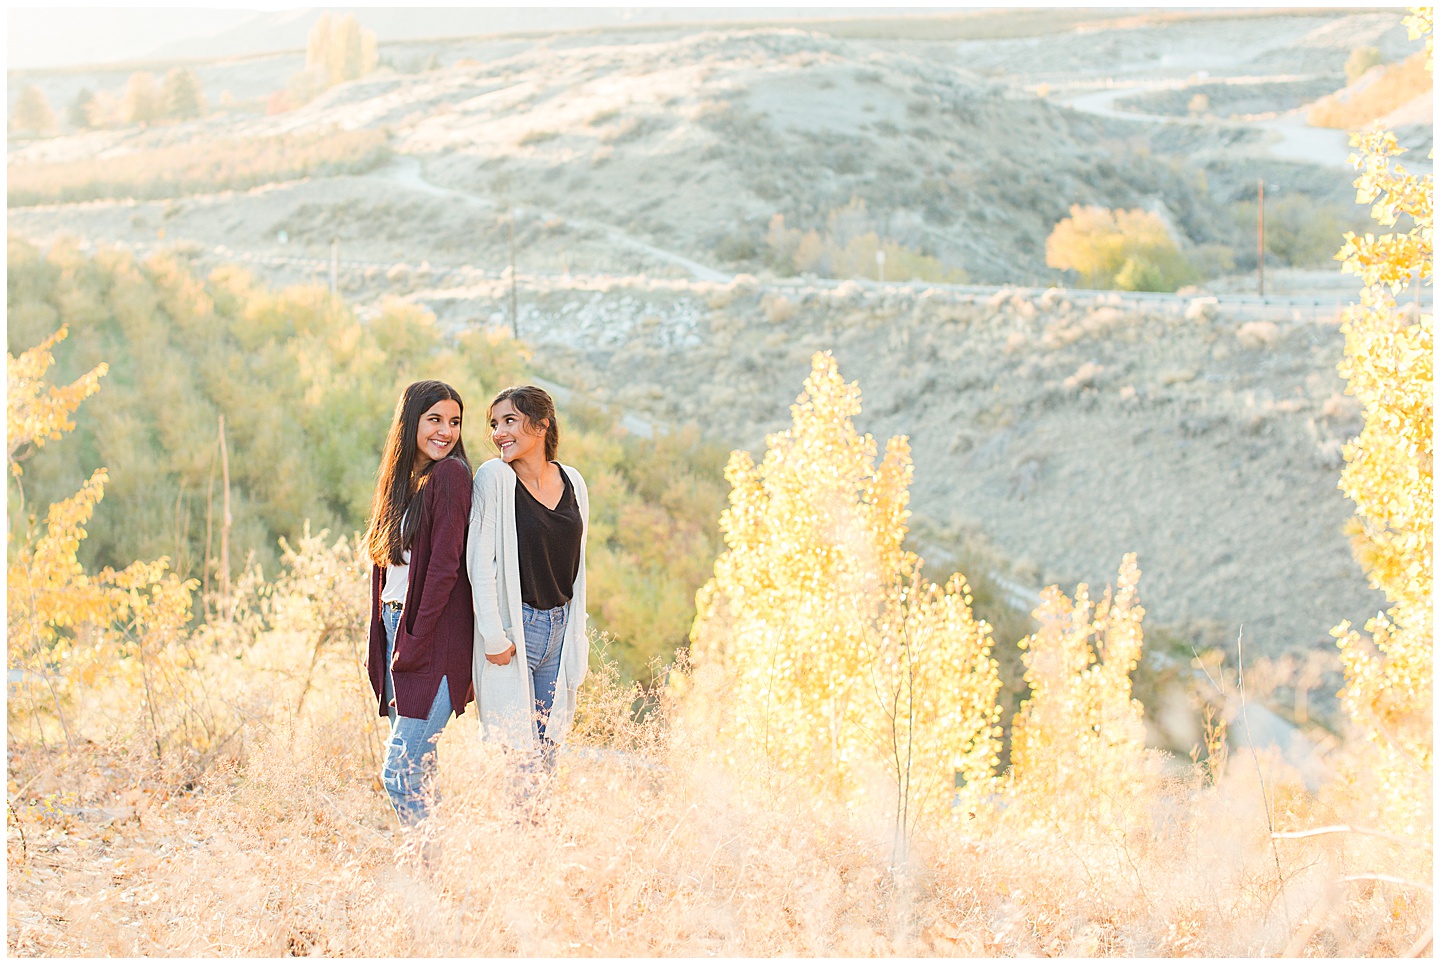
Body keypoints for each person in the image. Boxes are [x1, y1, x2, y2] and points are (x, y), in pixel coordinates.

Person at [364, 379, 475, 826]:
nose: (446, 431)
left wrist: (414, 642)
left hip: (429, 638)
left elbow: (444, 570)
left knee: (401, 774)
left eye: (454, 422)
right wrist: (389, 641)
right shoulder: (406, 484)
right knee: (421, 772)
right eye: (435, 420)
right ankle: (437, 877)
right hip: (399, 630)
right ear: (411, 422)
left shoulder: (450, 477)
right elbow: (390, 574)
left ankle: (428, 874)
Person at [467, 385, 590, 770]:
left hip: (560, 630)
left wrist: (577, 636)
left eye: (510, 421)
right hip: (516, 630)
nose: (499, 433)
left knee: (548, 753)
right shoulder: (494, 479)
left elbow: (578, 567)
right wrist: (493, 636)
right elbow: (479, 563)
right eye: (494, 424)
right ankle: (516, 831)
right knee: (519, 759)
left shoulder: (573, 481)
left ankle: (538, 832)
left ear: (541, 426)